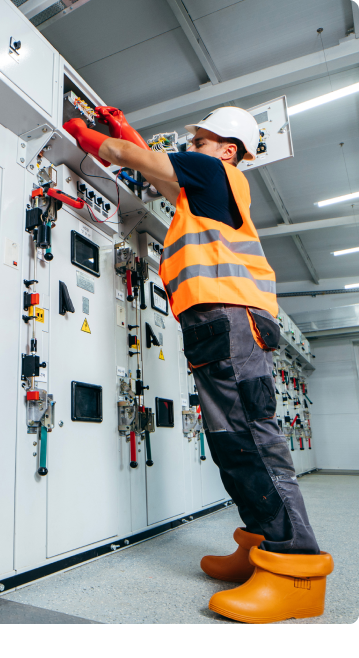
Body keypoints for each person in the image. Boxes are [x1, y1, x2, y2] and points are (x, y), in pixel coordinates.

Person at [64, 107, 333, 624]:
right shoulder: (204, 192)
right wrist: (124, 132)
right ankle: (260, 543)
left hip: (230, 316)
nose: (192, 150)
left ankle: (296, 569)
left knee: (252, 439)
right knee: (232, 442)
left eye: (201, 141)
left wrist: (85, 135)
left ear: (227, 148)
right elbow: (158, 174)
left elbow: (129, 160)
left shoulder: (216, 172)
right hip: (216, 319)